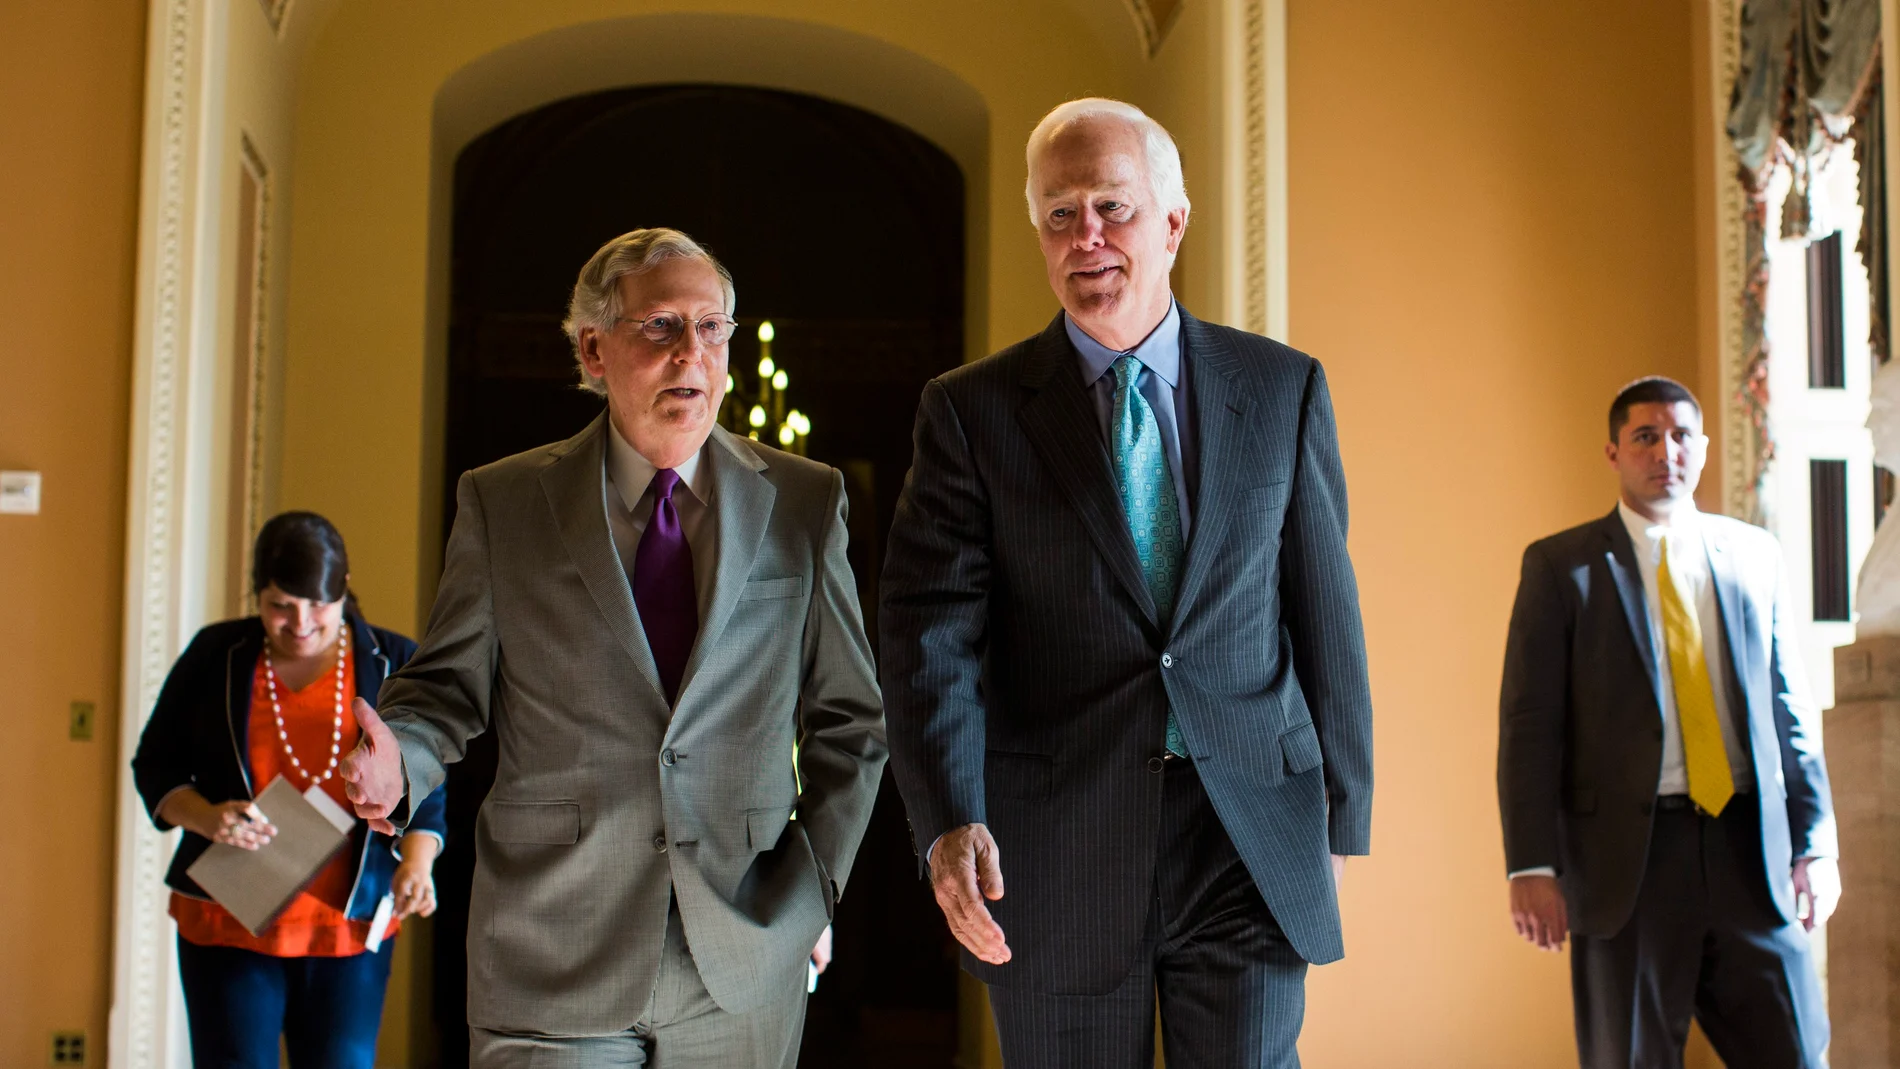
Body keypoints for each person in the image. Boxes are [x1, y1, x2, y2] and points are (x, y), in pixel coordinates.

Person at [879, 98, 1375, 1067]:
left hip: (1247, 829)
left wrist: (1340, 817)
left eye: (1113, 207)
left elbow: (1323, 611)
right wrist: (948, 814)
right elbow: (927, 632)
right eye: (1060, 215)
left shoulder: (1280, 388)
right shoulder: (971, 413)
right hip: (1055, 840)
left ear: (1172, 222)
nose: (1087, 237)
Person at [335, 227, 887, 1068]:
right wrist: (396, 764)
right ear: (594, 349)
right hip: (553, 946)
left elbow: (851, 721)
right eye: (662, 326)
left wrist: (814, 889)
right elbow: (443, 692)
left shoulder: (807, 504)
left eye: (712, 328)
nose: (691, 353)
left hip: (742, 959)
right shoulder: (504, 501)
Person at [1497, 376, 1840, 1068]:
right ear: (1613, 452)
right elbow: (1530, 725)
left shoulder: (1754, 557)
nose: (1666, 450)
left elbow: (1789, 710)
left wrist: (1817, 841)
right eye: (1646, 436)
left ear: (1705, 448)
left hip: (1751, 850)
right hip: (1629, 863)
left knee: (1797, 1051)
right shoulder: (1562, 566)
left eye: (1682, 434)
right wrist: (1531, 862)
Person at [131, 511, 447, 1069]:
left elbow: (428, 785)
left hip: (348, 928)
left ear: (343, 591)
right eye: (280, 605)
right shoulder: (215, 655)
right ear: (258, 594)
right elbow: (154, 764)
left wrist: (417, 865)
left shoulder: (395, 662)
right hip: (227, 921)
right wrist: (205, 817)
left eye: (318, 606)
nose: (299, 623)